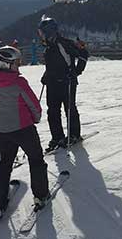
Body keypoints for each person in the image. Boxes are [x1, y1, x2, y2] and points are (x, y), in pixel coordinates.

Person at [0, 45, 52, 220]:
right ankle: (41, 194)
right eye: (17, 62)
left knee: (5, 163)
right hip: (23, 128)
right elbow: (33, 103)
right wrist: (37, 117)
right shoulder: (18, 82)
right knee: (36, 159)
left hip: (2, 129)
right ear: (7, 64)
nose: (19, 65)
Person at [37, 15, 89, 152]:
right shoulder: (48, 47)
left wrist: (76, 71)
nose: (40, 35)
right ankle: (57, 137)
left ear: (48, 32)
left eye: (41, 32)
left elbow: (83, 54)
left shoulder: (64, 43)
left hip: (67, 82)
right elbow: (53, 65)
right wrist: (46, 75)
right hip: (53, 83)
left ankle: (74, 135)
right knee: (52, 111)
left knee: (70, 109)